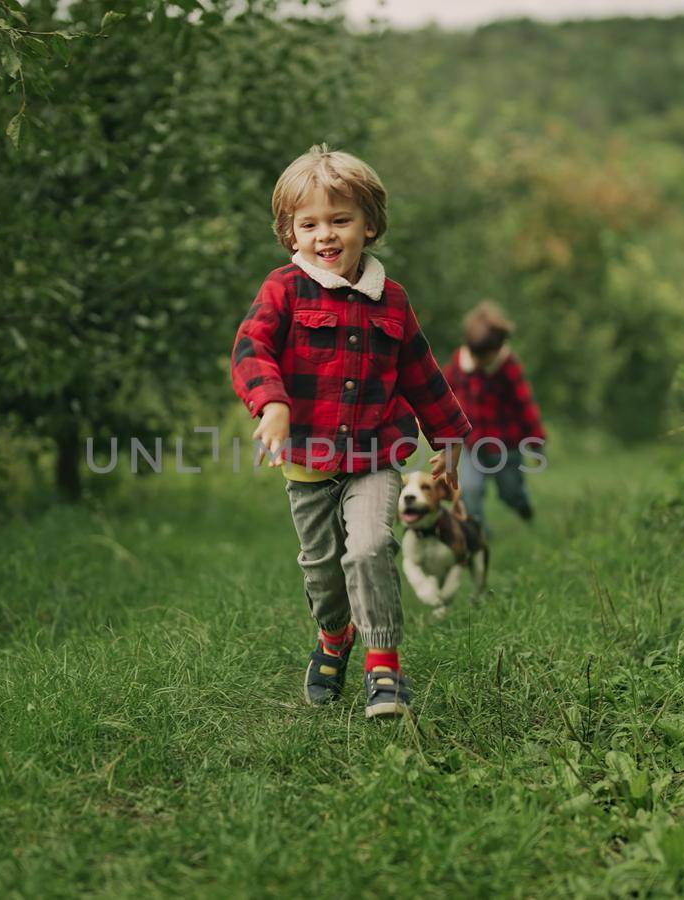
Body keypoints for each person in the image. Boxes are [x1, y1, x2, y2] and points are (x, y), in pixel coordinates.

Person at [230, 145, 470, 719]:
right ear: (290, 233)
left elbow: (421, 371)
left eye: (341, 220)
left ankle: (383, 666)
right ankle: (334, 637)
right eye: (308, 223)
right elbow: (251, 347)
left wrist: (450, 437)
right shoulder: (284, 289)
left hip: (375, 452)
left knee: (369, 548)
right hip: (308, 458)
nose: (326, 235)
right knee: (323, 570)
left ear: (370, 224)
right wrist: (272, 404)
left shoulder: (392, 300)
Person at [442, 301, 545, 537]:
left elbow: (524, 405)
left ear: (499, 349)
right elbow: (443, 391)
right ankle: (479, 536)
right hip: (469, 443)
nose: (480, 362)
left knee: (510, 492)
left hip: (505, 445)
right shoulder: (460, 363)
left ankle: (523, 507)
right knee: (469, 490)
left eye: (486, 357)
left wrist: (536, 441)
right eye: (477, 356)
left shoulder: (508, 367)